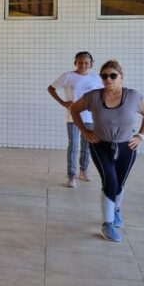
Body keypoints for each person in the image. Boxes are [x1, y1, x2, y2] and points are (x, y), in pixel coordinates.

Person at [71, 60, 144, 243]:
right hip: (100, 144)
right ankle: (107, 224)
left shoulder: (133, 96)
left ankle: (116, 210)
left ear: (121, 77)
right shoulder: (93, 96)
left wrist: (141, 136)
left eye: (112, 76)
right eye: (104, 76)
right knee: (110, 181)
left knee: (120, 183)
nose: (108, 79)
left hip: (127, 146)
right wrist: (85, 132)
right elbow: (74, 109)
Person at [47, 51, 102, 187]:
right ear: (75, 63)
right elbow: (51, 88)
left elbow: (102, 95)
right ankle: (71, 175)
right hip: (73, 117)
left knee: (87, 144)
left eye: (86, 63)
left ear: (91, 64)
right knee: (73, 145)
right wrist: (63, 102)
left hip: (90, 117)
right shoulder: (68, 76)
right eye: (80, 62)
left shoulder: (96, 78)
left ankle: (83, 171)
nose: (83, 65)